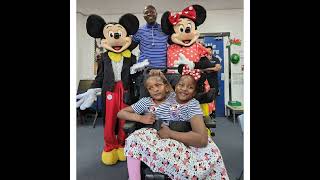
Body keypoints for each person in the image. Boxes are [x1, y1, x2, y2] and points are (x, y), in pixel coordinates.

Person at [117, 68, 229, 180]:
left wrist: (163, 78)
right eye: (151, 88)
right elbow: (121, 113)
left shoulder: (172, 97)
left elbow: (174, 90)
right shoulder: (146, 101)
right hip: (156, 134)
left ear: (166, 87)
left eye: (158, 85)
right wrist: (141, 118)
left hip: (176, 134)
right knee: (133, 138)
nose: (155, 90)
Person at [131, 5, 171, 98]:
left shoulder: (165, 29)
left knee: (164, 100)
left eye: (152, 12)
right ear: (143, 16)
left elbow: (175, 44)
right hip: (145, 71)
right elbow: (129, 48)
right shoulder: (139, 31)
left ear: (156, 14)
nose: (149, 14)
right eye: (146, 12)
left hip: (162, 71)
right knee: (144, 100)